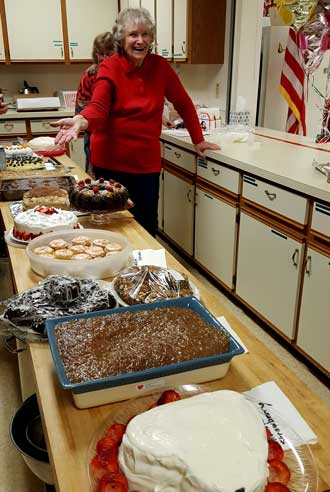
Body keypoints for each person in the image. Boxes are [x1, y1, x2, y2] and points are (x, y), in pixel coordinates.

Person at [52, 7, 220, 236]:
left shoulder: (160, 67)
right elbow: (99, 107)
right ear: (121, 38)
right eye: (133, 34)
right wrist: (81, 120)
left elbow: (183, 103)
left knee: (146, 225)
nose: (140, 40)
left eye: (145, 34)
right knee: (111, 225)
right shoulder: (110, 67)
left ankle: (145, 270)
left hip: (146, 165)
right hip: (110, 163)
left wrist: (198, 140)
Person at [75, 32, 115, 172]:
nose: (104, 58)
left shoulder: (126, 73)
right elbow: (82, 110)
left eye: (108, 54)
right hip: (95, 135)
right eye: (100, 54)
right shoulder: (90, 75)